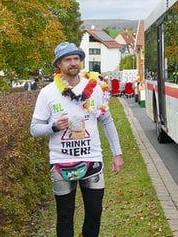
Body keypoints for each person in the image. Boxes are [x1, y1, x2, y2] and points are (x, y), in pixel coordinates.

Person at [30, 42, 124, 237]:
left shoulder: (94, 88)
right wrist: (54, 127)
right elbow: (34, 129)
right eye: (67, 59)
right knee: (65, 214)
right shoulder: (48, 93)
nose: (73, 63)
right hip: (61, 162)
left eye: (76, 58)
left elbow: (106, 121)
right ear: (58, 64)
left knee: (95, 211)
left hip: (92, 160)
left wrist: (117, 153)